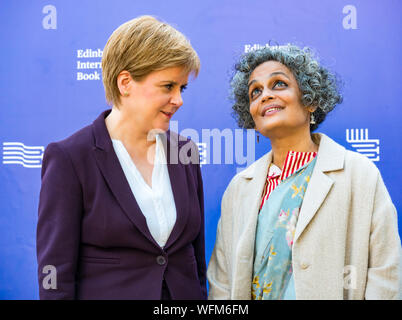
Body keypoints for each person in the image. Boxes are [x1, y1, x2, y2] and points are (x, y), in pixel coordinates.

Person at [207, 44, 401, 300]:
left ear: (311, 100)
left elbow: (384, 274)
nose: (265, 95)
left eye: (278, 84)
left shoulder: (358, 174)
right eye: (255, 91)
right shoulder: (239, 187)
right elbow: (222, 284)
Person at [37, 16, 207, 300]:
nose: (179, 100)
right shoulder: (70, 158)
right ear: (125, 82)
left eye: (182, 88)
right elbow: (55, 275)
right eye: (168, 86)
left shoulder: (185, 152)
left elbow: (195, 259)